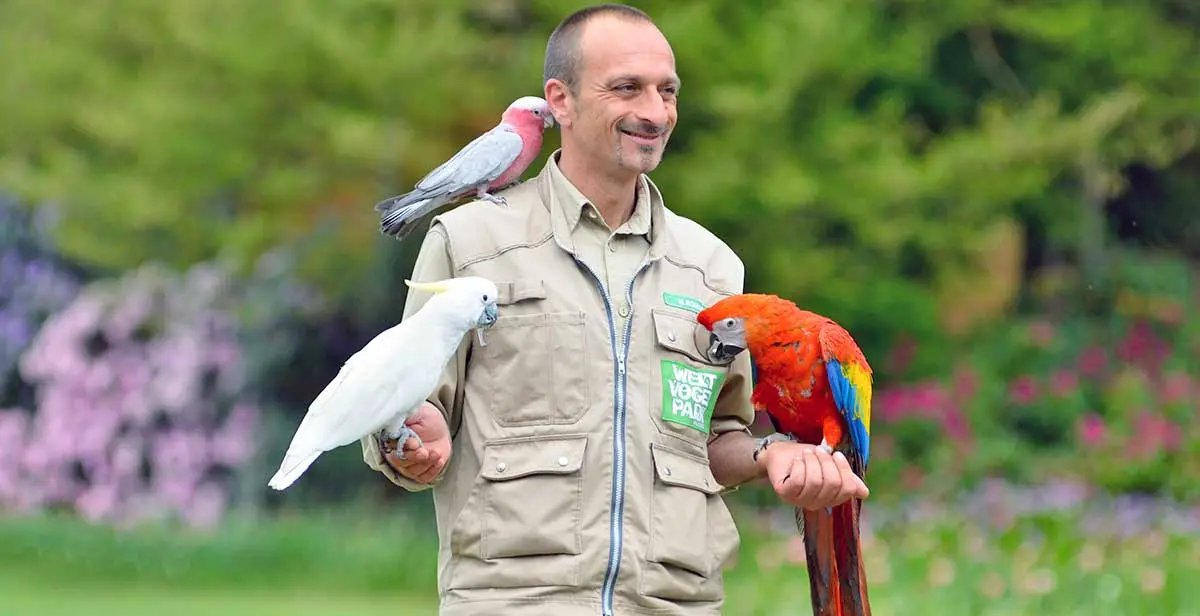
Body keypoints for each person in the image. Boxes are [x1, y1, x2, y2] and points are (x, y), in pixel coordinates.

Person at [359, 4, 869, 615]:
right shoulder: (470, 243)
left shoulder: (712, 269)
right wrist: (410, 442)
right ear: (561, 102)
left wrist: (773, 454)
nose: (654, 112)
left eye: (668, 91)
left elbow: (715, 439)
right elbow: (401, 412)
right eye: (626, 88)